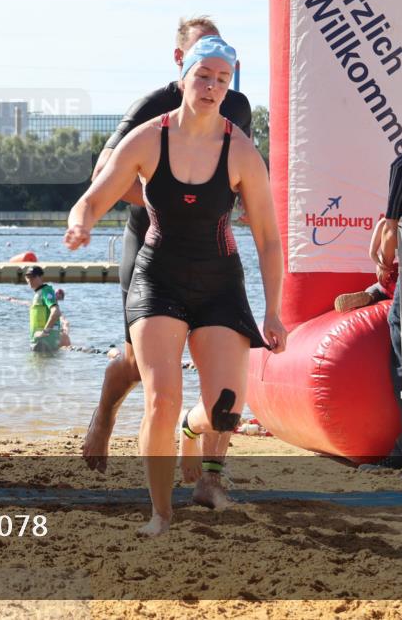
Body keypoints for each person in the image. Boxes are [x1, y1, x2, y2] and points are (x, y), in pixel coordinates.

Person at [65, 36, 286, 535]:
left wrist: (273, 310)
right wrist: (81, 221)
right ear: (183, 76)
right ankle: (160, 513)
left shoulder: (242, 150)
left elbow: (269, 239)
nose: (211, 88)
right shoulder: (148, 137)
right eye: (203, 76)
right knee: (161, 397)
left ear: (231, 84)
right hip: (158, 276)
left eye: (222, 80)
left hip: (219, 282)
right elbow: (94, 196)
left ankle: (193, 430)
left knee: (225, 412)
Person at [336, 80, 402, 315]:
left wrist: (384, 264)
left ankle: (377, 289)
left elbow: (391, 230)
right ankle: (377, 290)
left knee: (397, 319)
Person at [25, 266, 63, 354]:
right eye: (28, 277)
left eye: (33, 277)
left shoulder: (46, 291)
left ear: (41, 277)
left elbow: (56, 312)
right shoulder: (39, 293)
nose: (30, 279)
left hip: (45, 343)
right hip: (39, 342)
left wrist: (45, 331)